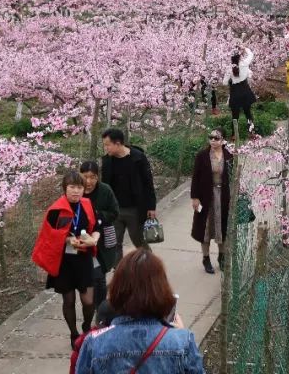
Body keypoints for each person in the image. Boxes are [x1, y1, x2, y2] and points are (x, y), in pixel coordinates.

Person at [74, 250, 204, 374]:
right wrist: (179, 333)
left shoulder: (94, 343)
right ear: (161, 289)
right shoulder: (182, 342)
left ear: (117, 288)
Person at [32, 170, 101, 348]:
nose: (76, 191)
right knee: (68, 300)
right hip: (64, 261)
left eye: (79, 187)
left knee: (88, 301)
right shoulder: (56, 210)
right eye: (72, 187)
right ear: (65, 188)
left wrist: (94, 239)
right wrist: (68, 240)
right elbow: (49, 237)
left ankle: (86, 327)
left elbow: (98, 226)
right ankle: (73, 333)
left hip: (84, 257)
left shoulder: (87, 204)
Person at [100, 129, 158, 249]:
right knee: (115, 243)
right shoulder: (107, 161)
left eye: (107, 145)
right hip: (115, 209)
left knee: (139, 241)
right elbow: (105, 186)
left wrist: (151, 206)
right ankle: (118, 268)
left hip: (135, 208)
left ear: (117, 143)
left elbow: (148, 183)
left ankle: (148, 265)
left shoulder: (138, 158)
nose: (105, 148)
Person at [79, 161, 121, 310]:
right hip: (80, 239)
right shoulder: (76, 190)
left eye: (93, 177)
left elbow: (115, 212)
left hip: (101, 239)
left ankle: (101, 309)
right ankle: (89, 305)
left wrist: (97, 216)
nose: (89, 181)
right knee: (86, 275)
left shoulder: (105, 190)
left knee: (100, 276)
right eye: (85, 177)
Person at [190, 129, 233, 274]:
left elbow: (233, 177)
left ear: (223, 140)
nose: (213, 141)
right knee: (206, 228)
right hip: (206, 196)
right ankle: (206, 258)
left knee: (222, 227)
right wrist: (195, 197)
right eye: (211, 138)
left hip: (223, 196)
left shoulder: (229, 156)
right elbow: (195, 177)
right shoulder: (202, 156)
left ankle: (222, 257)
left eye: (216, 138)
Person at [223, 48, 256, 132]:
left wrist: (231, 80)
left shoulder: (229, 68)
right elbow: (251, 55)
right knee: (248, 112)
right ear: (240, 57)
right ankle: (251, 131)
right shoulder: (244, 64)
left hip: (235, 91)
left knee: (235, 114)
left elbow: (224, 82)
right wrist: (245, 48)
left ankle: (234, 134)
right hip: (245, 89)